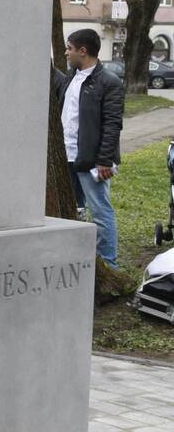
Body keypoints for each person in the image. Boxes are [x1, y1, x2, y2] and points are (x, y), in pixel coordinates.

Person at [56, 29, 124, 268]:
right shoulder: (71, 78)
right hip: (67, 157)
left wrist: (104, 160)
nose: (66, 52)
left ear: (82, 51)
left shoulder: (109, 83)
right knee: (74, 211)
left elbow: (112, 125)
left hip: (93, 162)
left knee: (101, 212)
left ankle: (109, 265)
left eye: (69, 48)